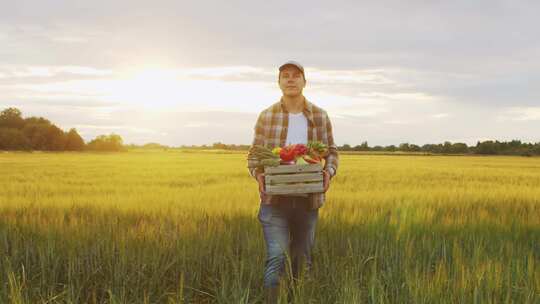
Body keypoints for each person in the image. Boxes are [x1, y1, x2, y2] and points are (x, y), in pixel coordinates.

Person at [247, 60, 339, 303]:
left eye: (295, 75)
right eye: (285, 75)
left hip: (308, 201)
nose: (290, 79)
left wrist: (328, 171)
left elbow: (332, 152)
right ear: (278, 83)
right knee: (276, 258)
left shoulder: (320, 116)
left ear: (304, 82)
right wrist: (259, 175)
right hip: (274, 201)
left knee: (301, 262)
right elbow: (254, 157)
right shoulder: (267, 116)